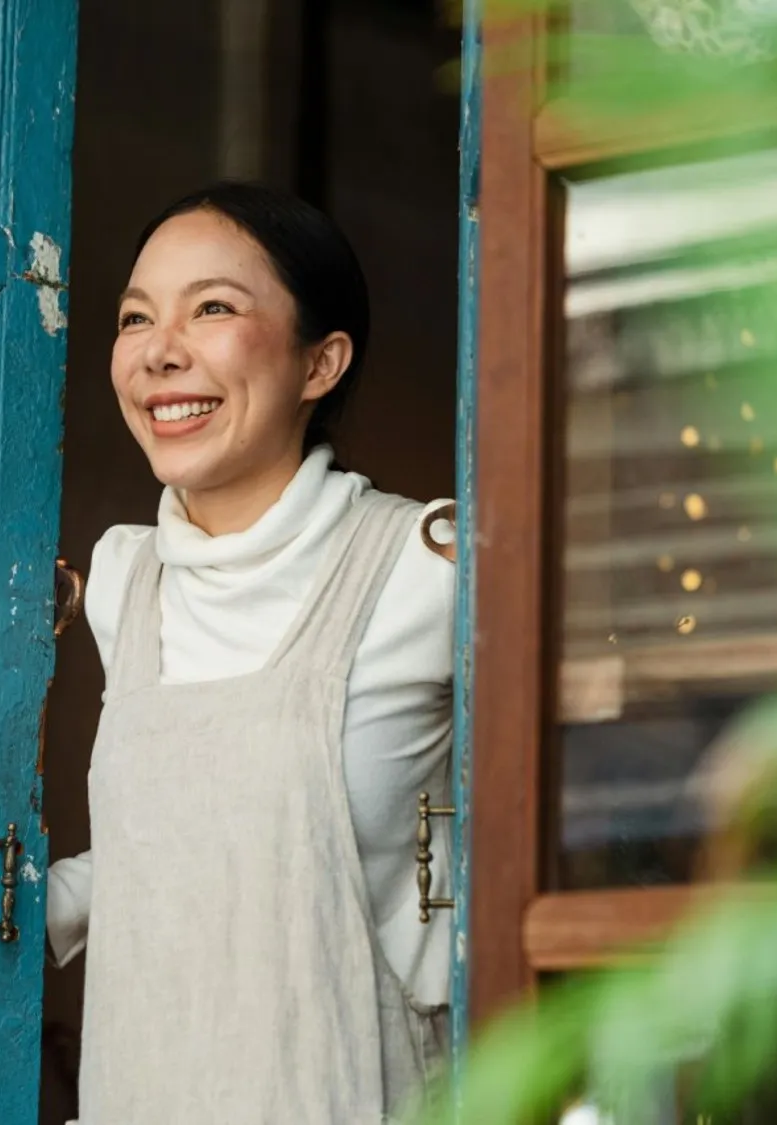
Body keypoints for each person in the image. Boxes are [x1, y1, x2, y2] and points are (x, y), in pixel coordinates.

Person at [44, 182, 456, 1124]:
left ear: (322, 362)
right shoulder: (119, 580)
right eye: (135, 317)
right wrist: (16, 902)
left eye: (214, 308)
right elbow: (198, 840)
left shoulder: (425, 567)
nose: (160, 351)